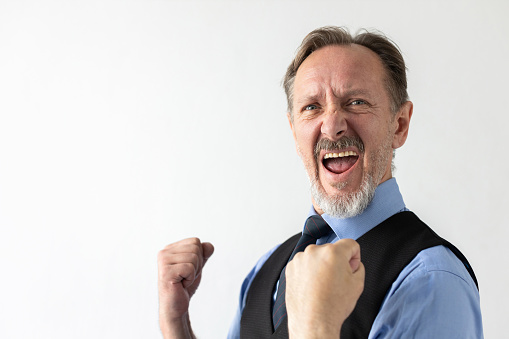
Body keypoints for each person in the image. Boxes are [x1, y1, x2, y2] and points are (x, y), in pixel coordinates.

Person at [157, 26, 483, 338]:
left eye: (356, 102)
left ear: (399, 125)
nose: (331, 126)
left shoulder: (431, 280)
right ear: (294, 131)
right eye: (312, 107)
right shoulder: (265, 271)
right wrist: (177, 326)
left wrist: (316, 329)